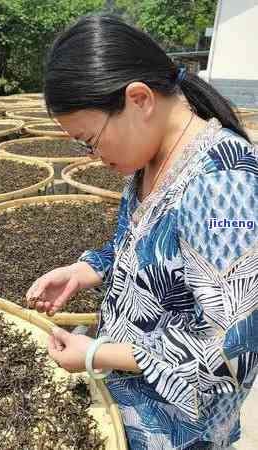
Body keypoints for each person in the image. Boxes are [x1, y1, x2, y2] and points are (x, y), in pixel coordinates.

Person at [26, 13, 258, 450]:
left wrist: (97, 354)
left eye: (90, 140)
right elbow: (139, 248)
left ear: (139, 99)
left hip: (180, 429)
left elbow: (233, 353)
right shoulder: (153, 157)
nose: (93, 156)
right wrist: (84, 271)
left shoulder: (223, 184)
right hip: (127, 400)